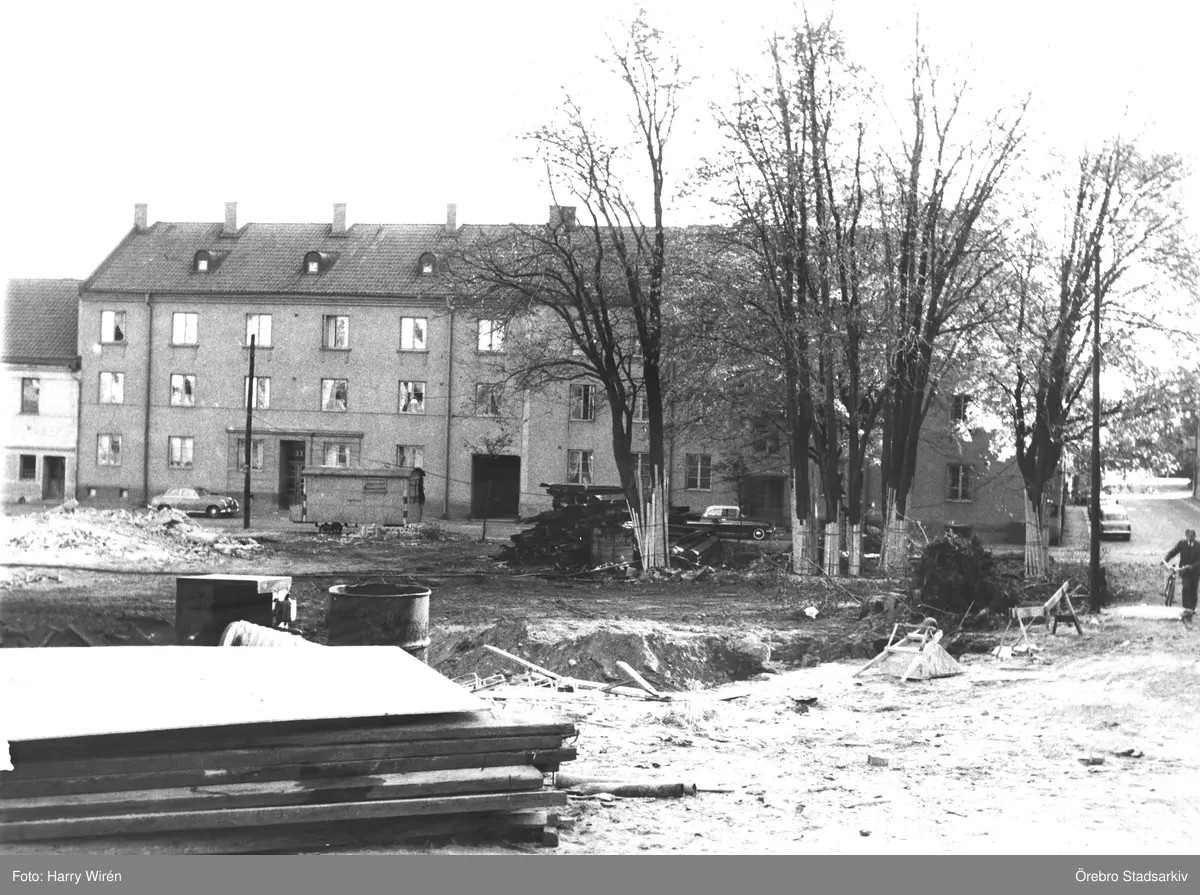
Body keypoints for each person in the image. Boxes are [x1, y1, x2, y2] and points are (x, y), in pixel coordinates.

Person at [1164, 528, 1200, 621]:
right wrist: (1165, 560)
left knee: (1193, 591)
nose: (1190, 538)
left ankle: (1192, 609)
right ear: (1186, 536)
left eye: (1192, 536)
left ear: (1195, 537)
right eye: (1189, 536)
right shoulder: (1181, 544)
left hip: (1195, 572)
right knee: (1185, 587)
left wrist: (1192, 566)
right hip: (1184, 571)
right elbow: (1173, 552)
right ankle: (1186, 609)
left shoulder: (1198, 545)